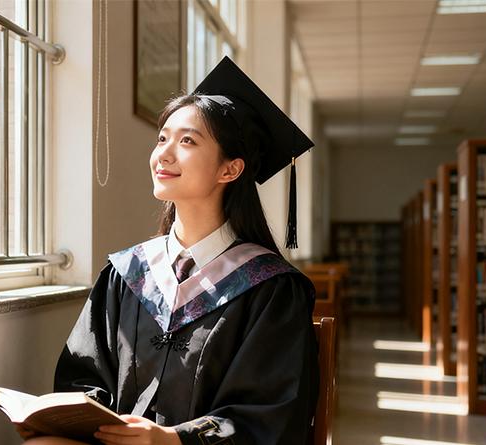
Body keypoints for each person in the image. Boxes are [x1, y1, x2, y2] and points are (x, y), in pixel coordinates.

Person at [20, 56, 319, 445]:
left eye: (187, 141)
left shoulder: (270, 289)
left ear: (230, 170)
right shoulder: (129, 273)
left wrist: (173, 439)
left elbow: (271, 416)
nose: (163, 153)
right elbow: (83, 377)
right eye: (162, 138)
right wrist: (70, 419)